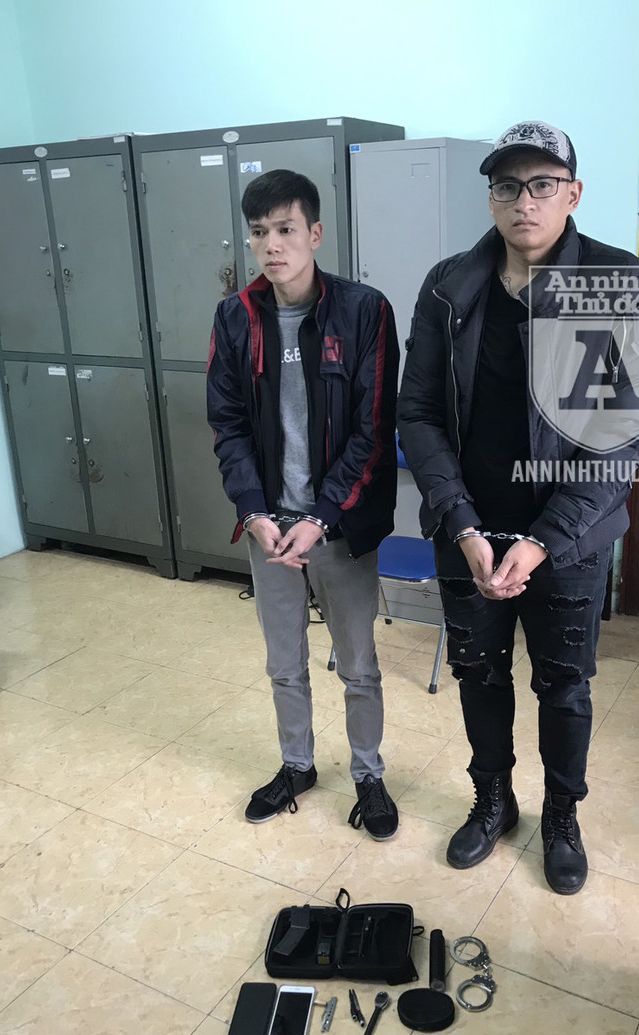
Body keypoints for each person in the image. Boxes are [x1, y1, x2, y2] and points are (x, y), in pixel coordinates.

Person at [397, 121, 639, 893]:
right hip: (470, 531)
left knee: (564, 686)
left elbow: (626, 432)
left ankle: (561, 817)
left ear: (572, 194)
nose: (525, 201)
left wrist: (544, 539)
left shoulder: (617, 280)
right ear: (491, 198)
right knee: (479, 675)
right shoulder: (449, 285)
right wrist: (461, 524)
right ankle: (493, 801)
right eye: (508, 186)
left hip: (569, 540)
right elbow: (419, 411)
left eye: (543, 184)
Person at [207, 169, 400, 840]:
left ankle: (369, 774)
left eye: (286, 229)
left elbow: (372, 430)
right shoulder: (235, 318)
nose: (272, 245)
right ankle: (297, 765)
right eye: (259, 232)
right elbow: (228, 425)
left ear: (315, 234)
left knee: (358, 664)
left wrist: (321, 517)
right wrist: (254, 512)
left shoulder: (363, 310)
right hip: (272, 529)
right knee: (283, 663)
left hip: (339, 527)